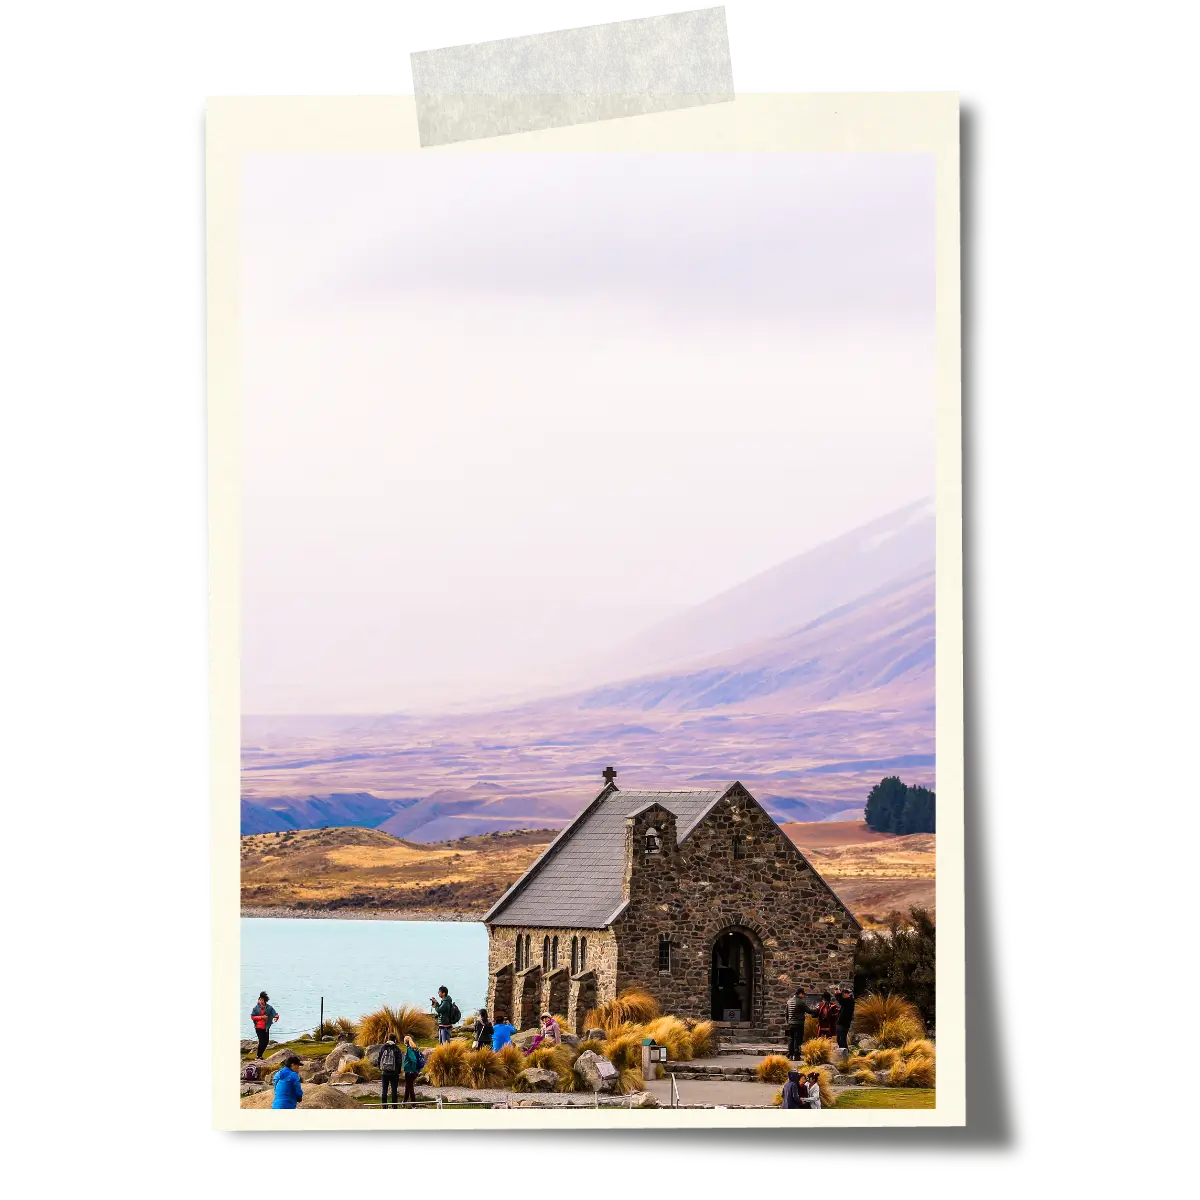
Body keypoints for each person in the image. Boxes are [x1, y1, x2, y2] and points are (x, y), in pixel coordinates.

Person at [250, 991, 279, 1060]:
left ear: (265, 1000)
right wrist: (261, 1017)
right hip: (258, 1027)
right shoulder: (255, 1008)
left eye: (262, 1000)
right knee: (261, 1041)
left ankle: (260, 1056)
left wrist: (276, 1017)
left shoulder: (269, 1008)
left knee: (266, 1042)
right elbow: (252, 1017)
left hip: (266, 1027)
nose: (260, 1001)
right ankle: (258, 1056)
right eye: (259, 999)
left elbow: (275, 1014)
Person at [377, 1034, 401, 1109]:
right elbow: (399, 1062)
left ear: (388, 1039)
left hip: (384, 1072)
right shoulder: (397, 1049)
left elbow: (379, 1059)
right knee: (394, 1090)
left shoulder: (383, 1048)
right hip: (394, 1073)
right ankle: (394, 1107)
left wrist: (381, 1069)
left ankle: (384, 1107)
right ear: (395, 1040)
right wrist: (398, 1071)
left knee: (384, 1090)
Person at [401, 1035, 424, 1105]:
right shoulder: (415, 1048)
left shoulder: (409, 1049)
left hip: (410, 1071)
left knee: (410, 1088)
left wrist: (412, 1070)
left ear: (405, 1042)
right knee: (407, 1087)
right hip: (415, 1071)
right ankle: (404, 1102)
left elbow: (413, 1060)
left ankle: (414, 1104)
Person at [785, 986, 806, 1059]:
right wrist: (817, 1010)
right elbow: (809, 1010)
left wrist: (788, 1021)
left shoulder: (789, 1001)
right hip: (798, 1024)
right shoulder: (800, 1001)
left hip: (791, 1024)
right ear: (800, 994)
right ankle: (796, 1055)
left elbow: (786, 1013)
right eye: (803, 994)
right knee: (798, 1039)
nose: (803, 996)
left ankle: (790, 1055)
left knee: (791, 1038)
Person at [835, 986, 856, 1056]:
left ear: (850, 994)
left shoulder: (850, 1001)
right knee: (839, 1040)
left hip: (844, 1024)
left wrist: (838, 994)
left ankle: (845, 1055)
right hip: (840, 1023)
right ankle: (843, 1054)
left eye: (846, 993)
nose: (844, 994)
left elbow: (841, 1001)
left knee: (842, 1040)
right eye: (844, 993)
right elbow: (842, 1001)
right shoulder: (847, 1001)